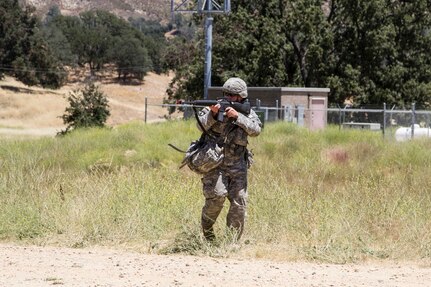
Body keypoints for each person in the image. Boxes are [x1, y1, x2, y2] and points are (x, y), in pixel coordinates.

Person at [196, 77, 262, 241]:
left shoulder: (247, 112)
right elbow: (199, 125)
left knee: (239, 203)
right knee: (216, 197)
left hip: (238, 166)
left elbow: (256, 130)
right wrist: (213, 114)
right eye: (227, 94)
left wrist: (237, 117)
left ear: (241, 97)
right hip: (215, 164)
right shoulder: (214, 107)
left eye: (233, 95)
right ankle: (208, 232)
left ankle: (231, 242)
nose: (229, 98)